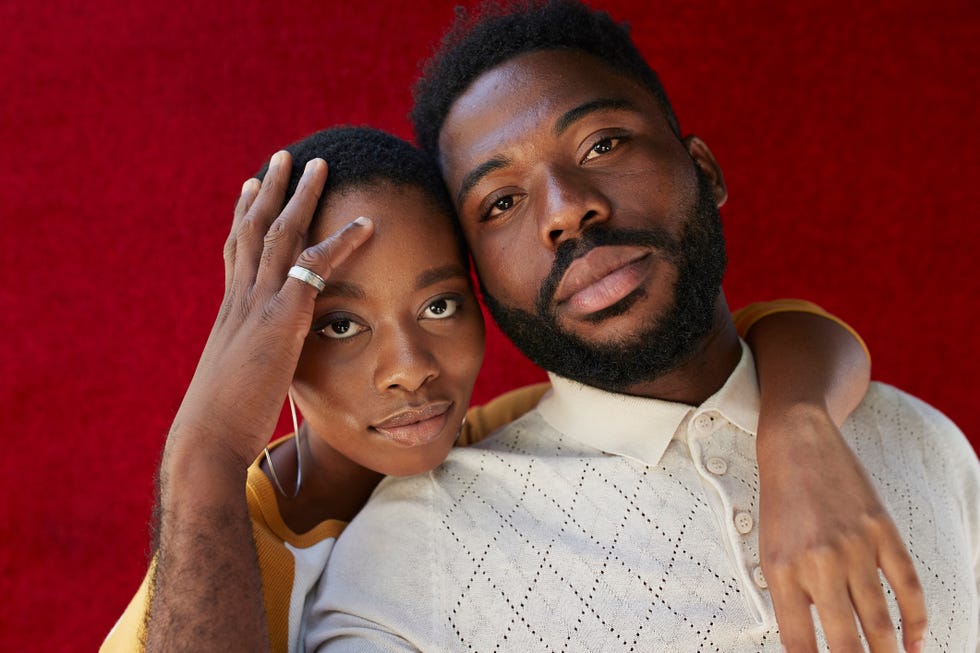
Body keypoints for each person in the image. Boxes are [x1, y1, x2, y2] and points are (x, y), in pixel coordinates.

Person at [303, 2, 980, 652]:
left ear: (704, 169)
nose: (567, 212)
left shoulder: (923, 441)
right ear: (482, 277)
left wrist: (799, 423)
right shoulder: (410, 554)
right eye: (502, 200)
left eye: (602, 143)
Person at [103, 125, 893, 653]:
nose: (411, 366)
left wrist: (798, 425)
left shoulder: (498, 447)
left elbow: (771, 331)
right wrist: (205, 448)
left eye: (441, 304)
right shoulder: (215, 552)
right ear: (267, 342)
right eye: (341, 325)